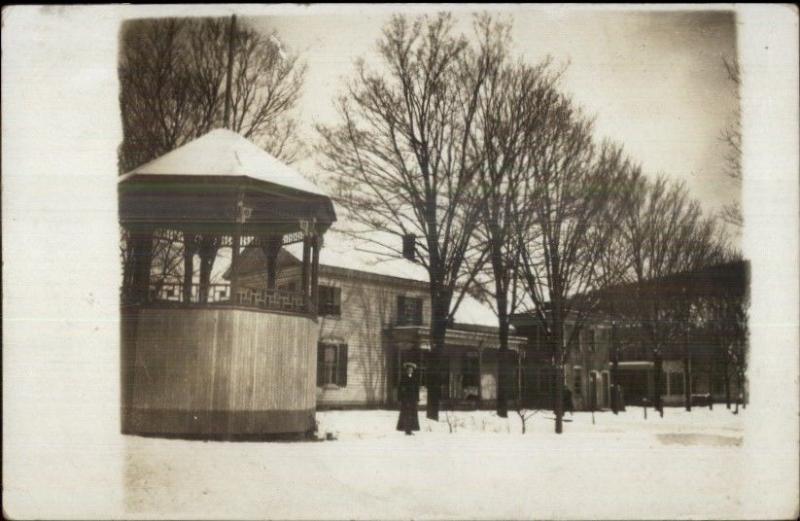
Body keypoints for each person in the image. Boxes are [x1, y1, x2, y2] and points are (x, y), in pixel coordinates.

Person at [397, 362, 420, 435]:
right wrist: (400, 398)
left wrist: (417, 398)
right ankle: (406, 430)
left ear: (413, 370)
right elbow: (400, 389)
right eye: (409, 369)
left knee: (412, 414)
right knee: (406, 414)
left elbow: (416, 389)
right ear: (406, 370)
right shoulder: (403, 378)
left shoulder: (415, 379)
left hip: (413, 399)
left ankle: (411, 429)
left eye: (411, 369)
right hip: (405, 399)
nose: (410, 370)